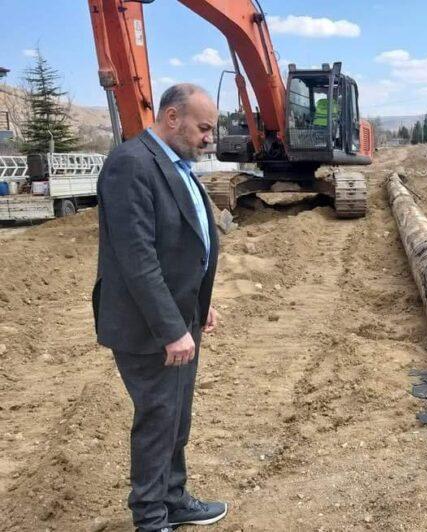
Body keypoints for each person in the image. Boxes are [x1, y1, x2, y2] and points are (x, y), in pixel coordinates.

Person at [92, 83, 225, 532]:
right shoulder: (130, 165)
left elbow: (188, 240)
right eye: (203, 127)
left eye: (213, 129)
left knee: (177, 415)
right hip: (147, 326)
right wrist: (171, 327)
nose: (210, 137)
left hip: (179, 316)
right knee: (158, 418)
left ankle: (173, 497)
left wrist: (199, 305)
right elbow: (137, 258)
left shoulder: (177, 165)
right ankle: (151, 518)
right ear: (172, 118)